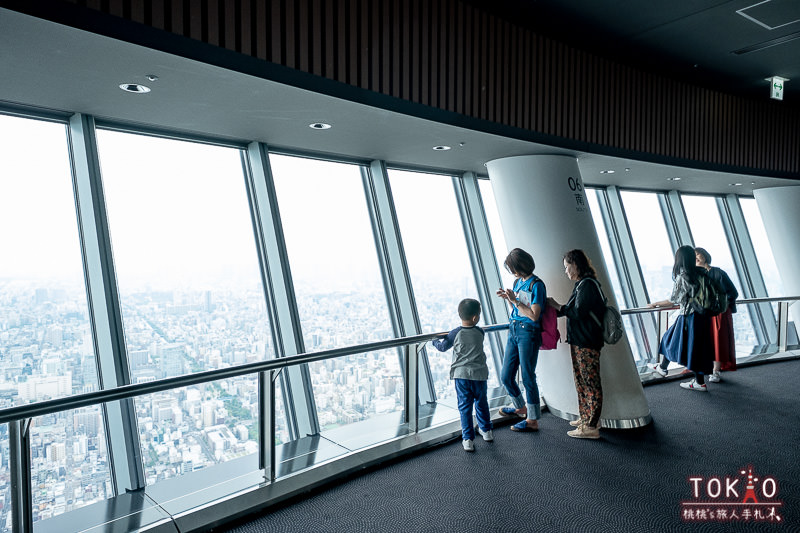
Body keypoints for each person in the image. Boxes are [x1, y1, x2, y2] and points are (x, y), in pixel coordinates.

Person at [547, 249, 605, 439]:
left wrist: (556, 306)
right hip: (581, 340)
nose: (566, 271)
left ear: (576, 264)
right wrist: (557, 308)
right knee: (582, 381)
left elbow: (577, 312)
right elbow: (573, 309)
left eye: (567, 267)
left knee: (590, 382)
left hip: (587, 341)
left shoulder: (587, 285)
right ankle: (587, 418)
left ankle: (591, 425)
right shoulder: (582, 284)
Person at [647, 245, 714, 391]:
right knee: (695, 348)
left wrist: (655, 304)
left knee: (669, 339)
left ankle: (664, 368)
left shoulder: (683, 276)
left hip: (689, 317)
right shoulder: (702, 273)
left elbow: (674, 299)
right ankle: (696, 380)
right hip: (703, 317)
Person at [431, 298, 493, 452]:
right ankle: (486, 431)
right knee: (481, 403)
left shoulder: (455, 333)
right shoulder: (480, 331)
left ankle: (468, 439)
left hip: (462, 375)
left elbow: (443, 347)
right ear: (475, 318)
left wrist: (434, 341)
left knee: (465, 408)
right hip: (480, 375)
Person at [495, 248, 546, 432]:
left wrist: (515, 301)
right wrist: (509, 299)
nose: (512, 272)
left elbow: (533, 315)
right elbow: (518, 309)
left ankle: (532, 419)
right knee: (506, 375)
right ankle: (520, 407)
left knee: (527, 376)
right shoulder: (518, 282)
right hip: (514, 329)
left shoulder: (536, 285)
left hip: (528, 332)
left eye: (512, 268)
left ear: (520, 266)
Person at [694, 247, 738, 382]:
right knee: (705, 341)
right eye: (693, 255)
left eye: (698, 254)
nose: (696, 257)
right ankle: (704, 369)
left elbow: (733, 292)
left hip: (719, 313)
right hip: (703, 312)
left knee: (718, 340)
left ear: (705, 255)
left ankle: (716, 371)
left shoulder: (718, 272)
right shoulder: (695, 275)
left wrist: (721, 305)